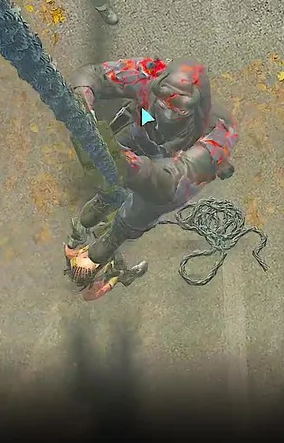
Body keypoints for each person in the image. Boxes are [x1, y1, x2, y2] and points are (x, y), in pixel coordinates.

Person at [64, 57, 238, 301]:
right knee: (105, 185)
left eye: (178, 107)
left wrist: (126, 165)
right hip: (142, 130)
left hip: (174, 167)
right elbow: (92, 76)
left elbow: (170, 183)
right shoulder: (148, 73)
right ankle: (102, 206)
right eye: (163, 100)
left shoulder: (218, 132)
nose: (167, 110)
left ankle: (106, 249)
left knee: (136, 214)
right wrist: (85, 113)